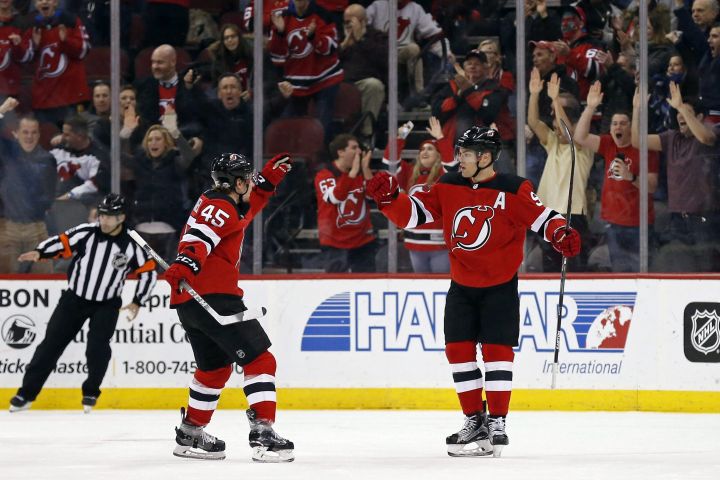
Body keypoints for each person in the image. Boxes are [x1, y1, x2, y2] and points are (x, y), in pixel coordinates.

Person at [366, 126, 580, 457]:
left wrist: (560, 232)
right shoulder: (448, 184)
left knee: (497, 353)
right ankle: (474, 420)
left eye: (465, 154)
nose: (459, 159)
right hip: (462, 287)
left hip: (500, 287)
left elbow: (542, 217)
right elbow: (411, 216)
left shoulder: (513, 188)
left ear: (484, 157)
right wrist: (390, 199)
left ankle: (497, 420)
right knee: (458, 352)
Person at [163, 152, 295, 462]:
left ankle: (191, 433)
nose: (251, 182)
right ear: (236, 183)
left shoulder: (224, 201)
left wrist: (266, 183)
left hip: (192, 302)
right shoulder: (219, 206)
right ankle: (263, 434)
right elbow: (199, 237)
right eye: (247, 179)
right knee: (261, 360)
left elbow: (244, 212)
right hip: (215, 298)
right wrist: (186, 262)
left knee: (214, 369)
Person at [8, 194, 157, 413]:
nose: (104, 220)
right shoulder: (86, 233)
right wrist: (40, 252)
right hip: (74, 299)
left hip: (106, 304)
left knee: (97, 348)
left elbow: (148, 273)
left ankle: (90, 392)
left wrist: (137, 301)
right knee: (49, 347)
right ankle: (26, 394)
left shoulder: (132, 244)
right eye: (102, 215)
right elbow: (62, 242)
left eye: (110, 216)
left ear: (122, 217)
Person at [631, 83, 720, 270]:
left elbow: (706, 138)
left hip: (704, 218)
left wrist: (681, 106)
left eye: (686, 112)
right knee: (679, 269)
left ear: (700, 117)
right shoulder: (671, 137)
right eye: (678, 112)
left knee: (707, 269)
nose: (680, 115)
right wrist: (637, 109)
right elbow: (636, 141)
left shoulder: (710, 133)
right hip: (677, 220)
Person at [574, 81, 660, 272]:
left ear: (631, 127)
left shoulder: (646, 149)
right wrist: (589, 107)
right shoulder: (608, 144)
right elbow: (580, 137)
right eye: (614, 124)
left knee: (643, 273)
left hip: (640, 224)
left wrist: (631, 177)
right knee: (621, 272)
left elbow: (652, 186)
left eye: (622, 123)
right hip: (613, 223)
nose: (617, 127)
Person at [528, 68, 593, 271]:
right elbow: (533, 122)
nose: (556, 131)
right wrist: (534, 94)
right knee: (550, 269)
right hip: (549, 214)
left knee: (571, 270)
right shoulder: (553, 143)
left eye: (557, 126)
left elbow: (569, 132)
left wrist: (555, 101)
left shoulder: (583, 145)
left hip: (572, 213)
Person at [382, 117, 453, 273]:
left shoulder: (443, 175)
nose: (424, 152)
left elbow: (452, 166)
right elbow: (389, 164)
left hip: (439, 243)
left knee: (439, 289)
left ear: (438, 155)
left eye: (430, 149)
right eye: (422, 149)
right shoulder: (409, 173)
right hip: (414, 242)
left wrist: (441, 138)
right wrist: (399, 139)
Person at [268, 0, 344, 140]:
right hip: (296, 83)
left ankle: (321, 159)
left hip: (325, 79)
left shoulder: (324, 15)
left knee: (321, 129)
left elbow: (331, 49)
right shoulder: (281, 17)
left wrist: (313, 37)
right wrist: (280, 33)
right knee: (285, 129)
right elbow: (277, 58)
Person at [0, 98, 56, 273]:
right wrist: (2, 110)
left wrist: (37, 206)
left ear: (39, 134)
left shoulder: (47, 159)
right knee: (6, 281)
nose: (29, 136)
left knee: (47, 279)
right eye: (25, 132)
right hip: (8, 228)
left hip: (37, 227)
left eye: (33, 132)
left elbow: (50, 193)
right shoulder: (7, 154)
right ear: (16, 133)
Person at [315, 134, 377, 273]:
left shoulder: (360, 174)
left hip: (362, 240)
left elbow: (374, 197)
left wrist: (366, 169)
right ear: (340, 152)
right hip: (334, 242)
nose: (359, 152)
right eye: (354, 148)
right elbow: (335, 198)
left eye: (359, 148)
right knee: (336, 287)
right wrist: (353, 173)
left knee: (365, 285)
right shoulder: (325, 175)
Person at [24, 0, 91, 125]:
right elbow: (24, 61)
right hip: (43, 100)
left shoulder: (71, 21)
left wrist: (66, 41)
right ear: (35, 4)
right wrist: (35, 46)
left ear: (55, 2)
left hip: (70, 97)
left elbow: (84, 51)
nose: (44, 1)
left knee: (72, 139)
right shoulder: (31, 26)